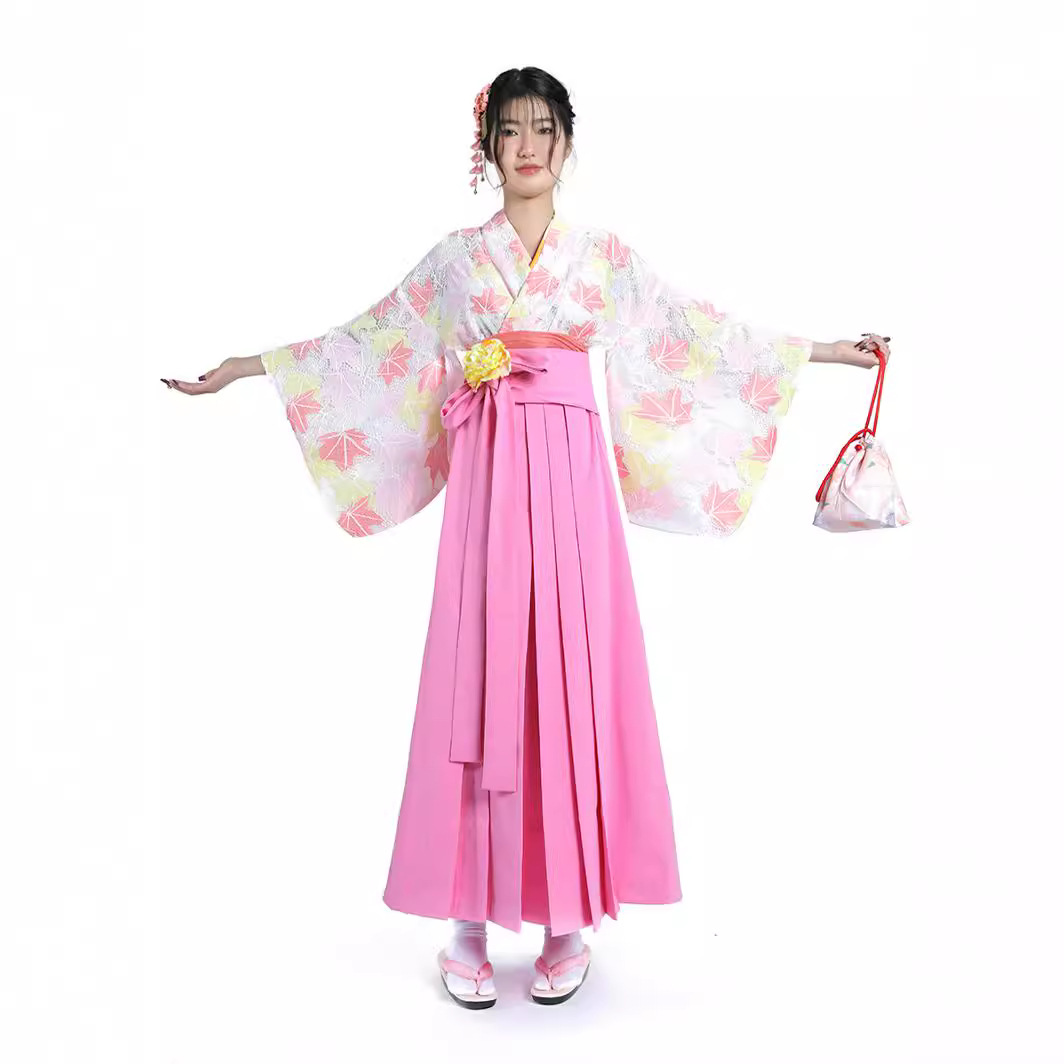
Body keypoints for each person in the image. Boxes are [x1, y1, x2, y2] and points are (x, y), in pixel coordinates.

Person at [162, 66, 891, 1009]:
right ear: (489, 147)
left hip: (573, 483)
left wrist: (825, 350)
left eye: (544, 128)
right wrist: (249, 367)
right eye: (511, 130)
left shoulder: (602, 258)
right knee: (477, 672)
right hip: (490, 477)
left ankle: (566, 922)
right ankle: (465, 922)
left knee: (568, 676)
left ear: (567, 142)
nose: (529, 146)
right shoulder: (455, 263)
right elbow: (369, 341)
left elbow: (696, 331)